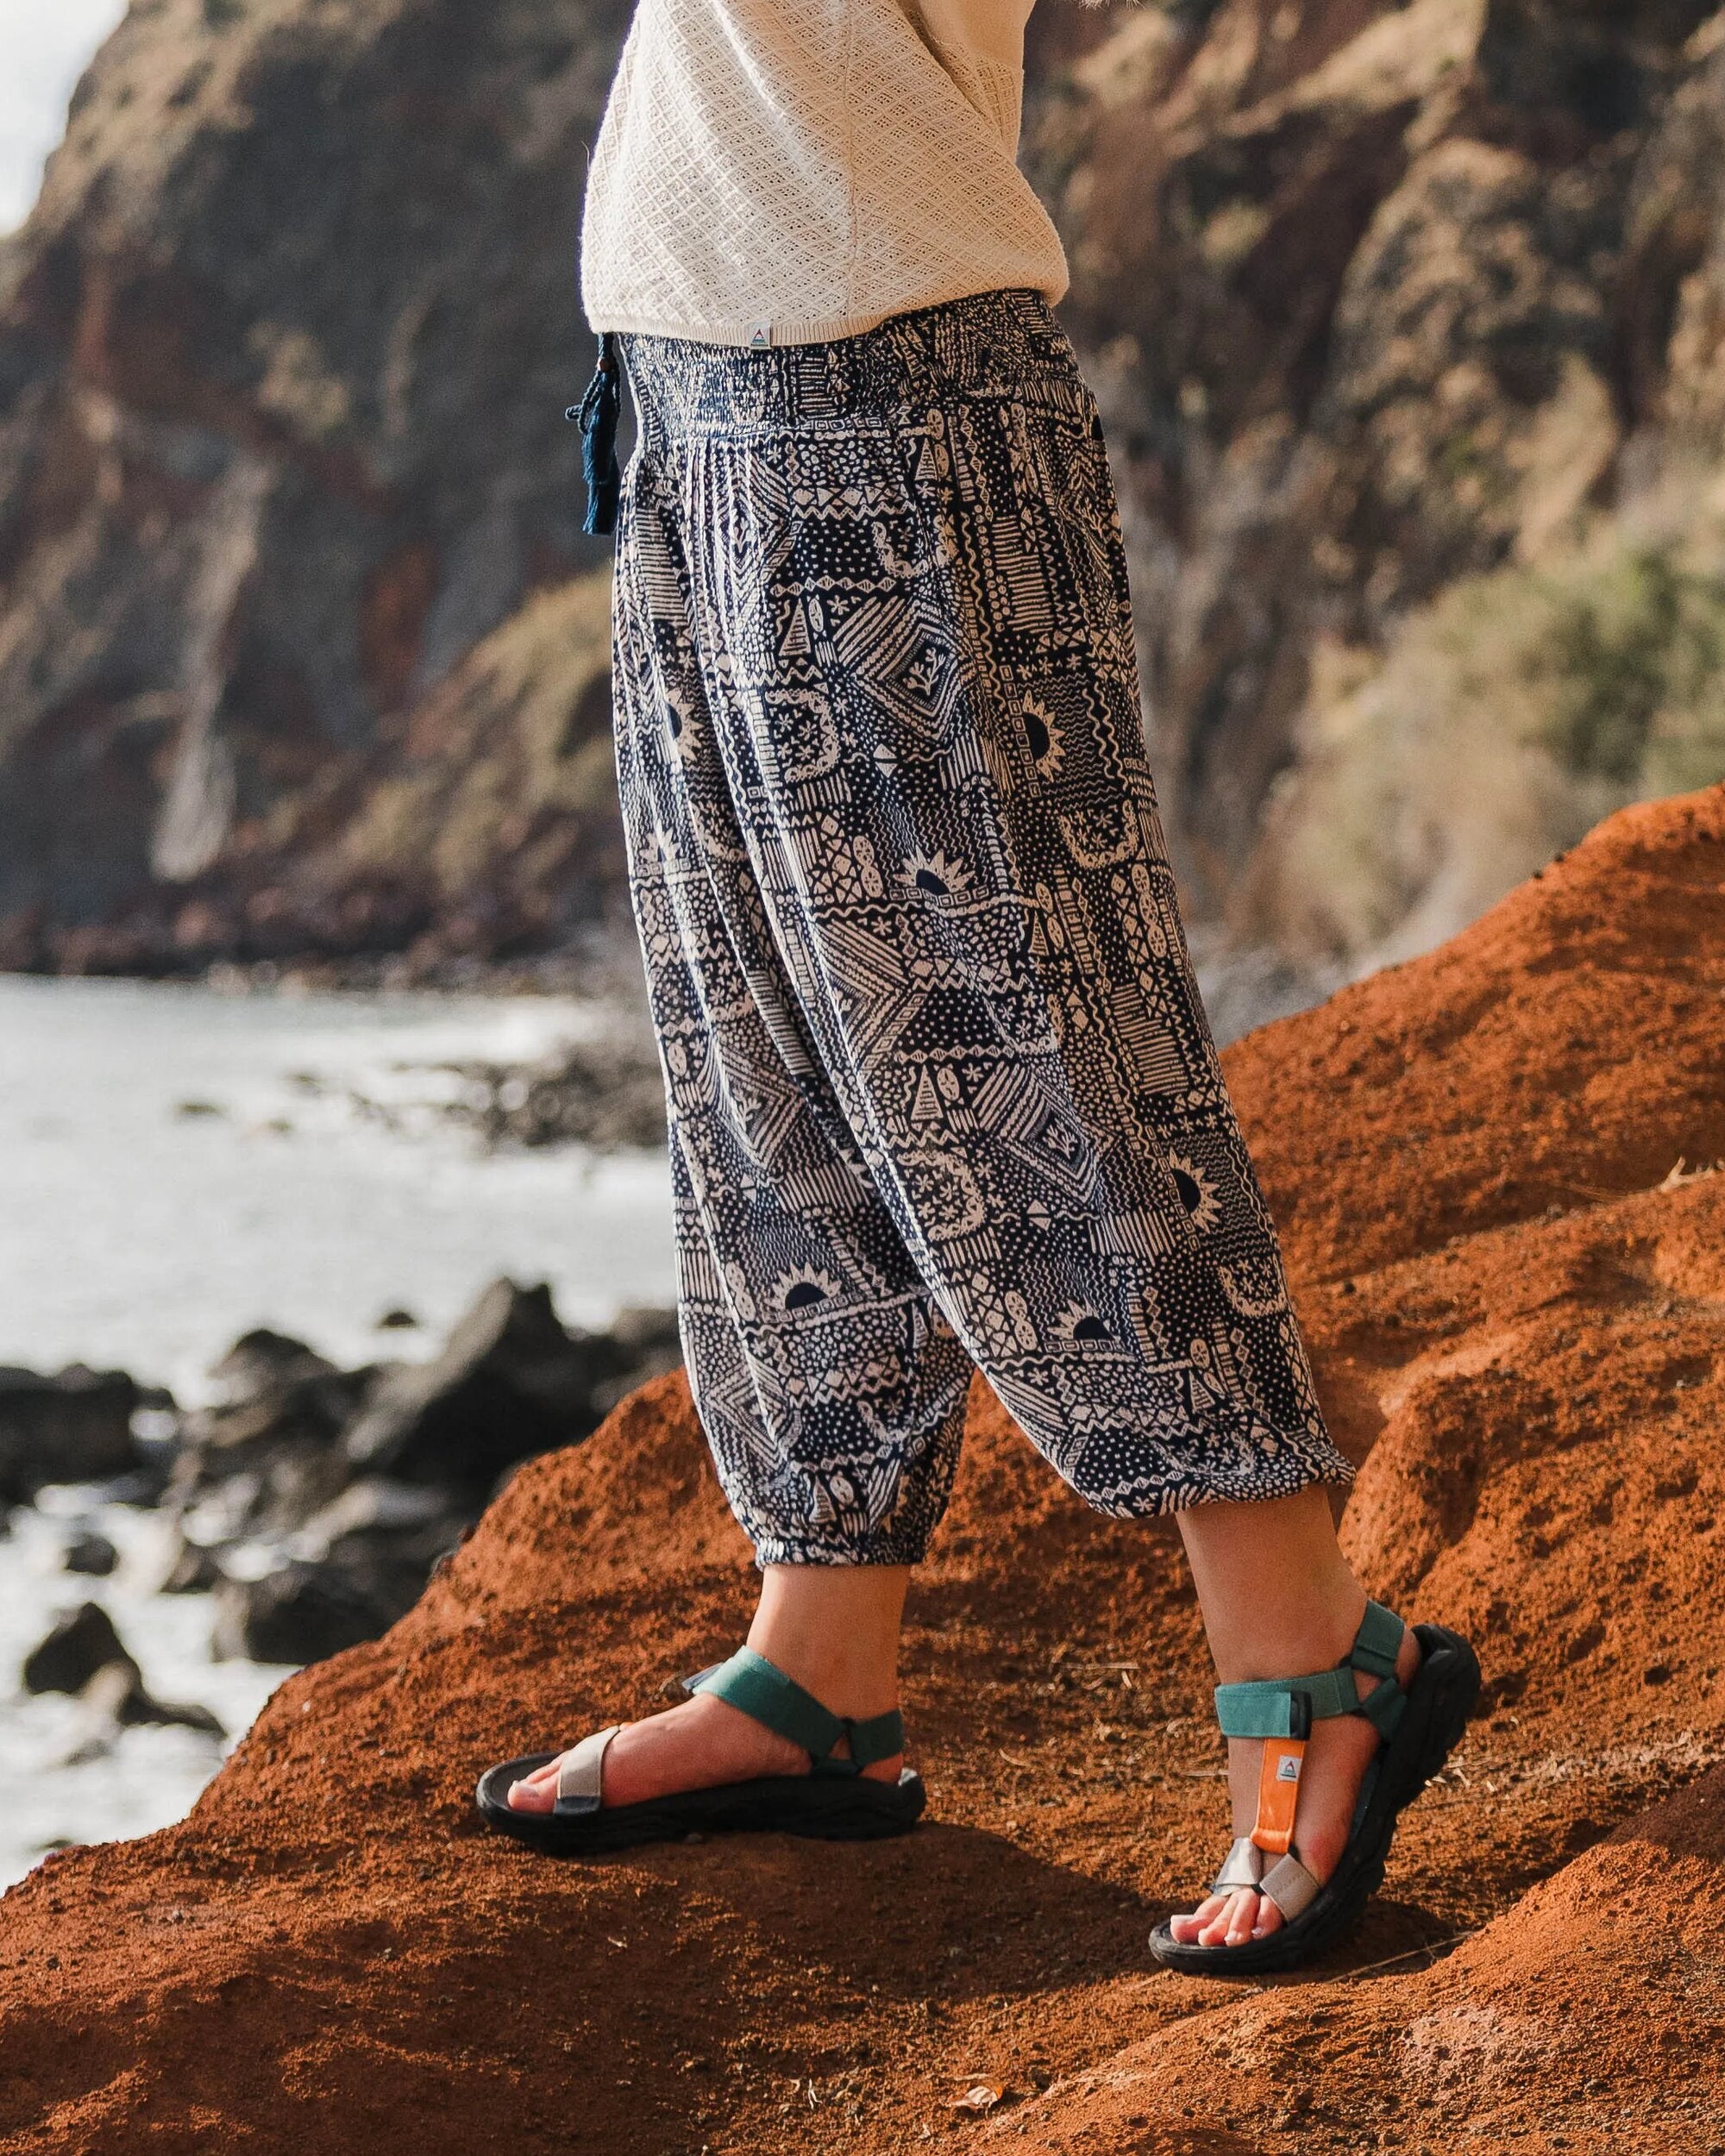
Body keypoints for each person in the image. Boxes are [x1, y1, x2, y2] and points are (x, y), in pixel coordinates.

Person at [476, 0, 1478, 1974]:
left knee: (1028, 1035)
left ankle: (1314, 1647)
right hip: (681, 398)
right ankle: (818, 1660)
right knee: (759, 1065)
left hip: (887, 388)